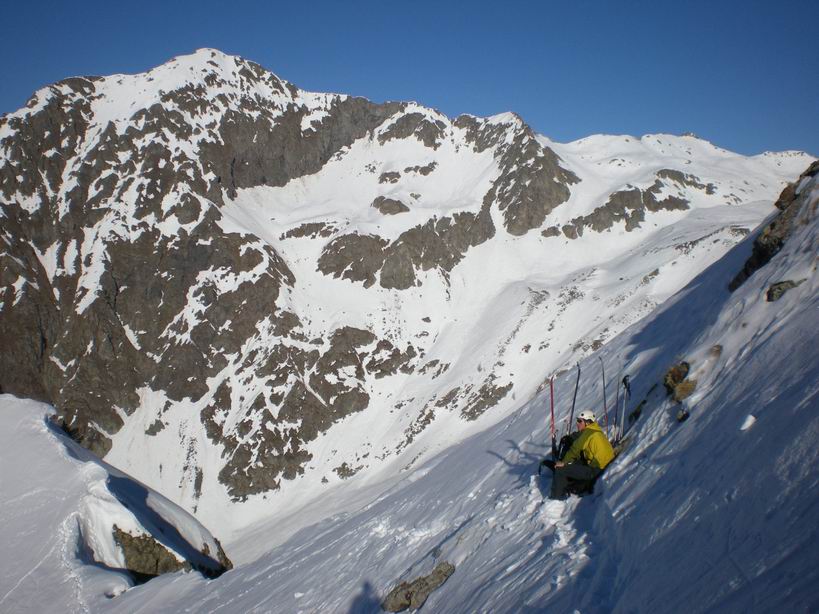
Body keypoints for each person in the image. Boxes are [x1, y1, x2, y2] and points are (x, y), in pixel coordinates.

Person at [547, 409, 614, 500]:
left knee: (561, 469)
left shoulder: (588, 432)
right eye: (577, 421)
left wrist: (563, 462)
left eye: (580, 421)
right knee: (576, 463)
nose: (577, 423)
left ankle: (555, 499)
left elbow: (575, 448)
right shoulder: (597, 431)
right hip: (605, 468)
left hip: (596, 470)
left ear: (587, 422)